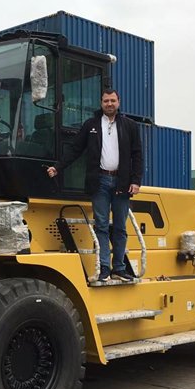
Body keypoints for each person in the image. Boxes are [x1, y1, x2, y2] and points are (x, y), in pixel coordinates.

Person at [47, 89, 143, 282]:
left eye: (113, 100)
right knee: (101, 226)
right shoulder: (91, 125)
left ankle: (119, 268)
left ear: (118, 102)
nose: (109, 104)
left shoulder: (130, 126)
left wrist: (136, 181)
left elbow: (137, 154)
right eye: (106, 101)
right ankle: (105, 268)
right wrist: (58, 167)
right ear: (101, 103)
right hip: (99, 182)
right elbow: (75, 149)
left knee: (120, 227)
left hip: (122, 183)